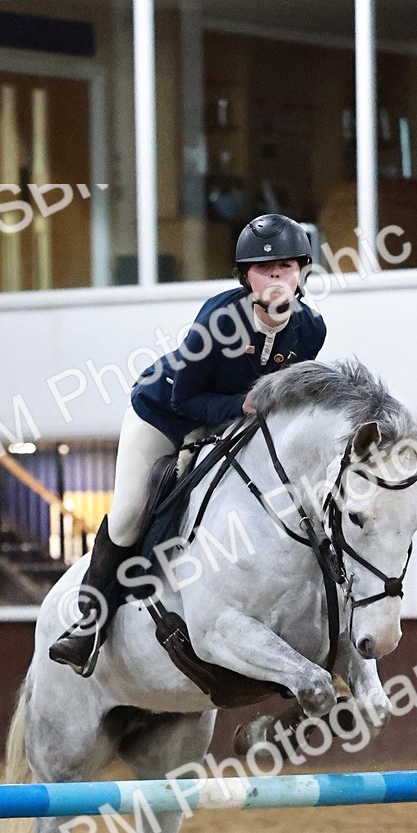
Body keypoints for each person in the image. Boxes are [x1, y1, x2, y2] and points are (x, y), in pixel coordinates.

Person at [49, 213, 327, 674]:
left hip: (231, 422)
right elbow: (186, 396)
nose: (276, 275)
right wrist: (244, 406)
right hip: (165, 414)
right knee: (129, 513)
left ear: (302, 272)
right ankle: (88, 625)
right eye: (263, 268)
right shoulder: (219, 318)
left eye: (287, 265)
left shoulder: (311, 330)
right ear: (244, 277)